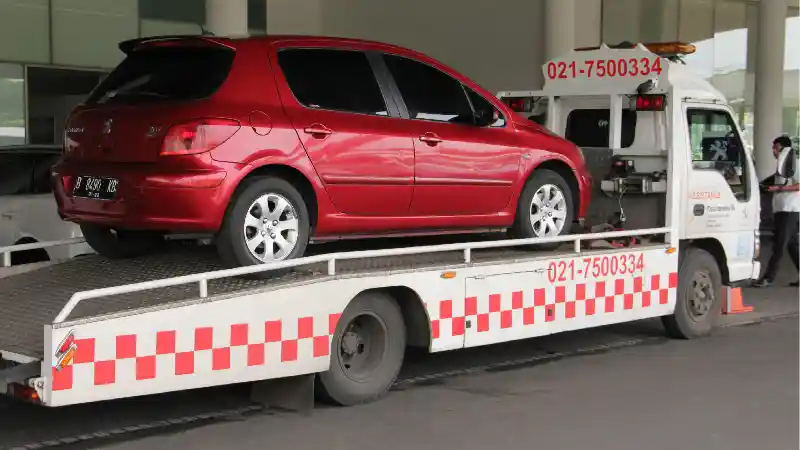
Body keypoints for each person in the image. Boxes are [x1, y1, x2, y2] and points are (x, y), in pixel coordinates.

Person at [754, 135, 799, 288]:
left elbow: (798, 185)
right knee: (792, 245)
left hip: (789, 211)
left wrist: (779, 188)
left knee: (779, 245)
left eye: (776, 147)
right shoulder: (782, 167)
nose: (773, 151)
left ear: (785, 149)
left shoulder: (795, 164)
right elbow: (769, 183)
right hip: (782, 211)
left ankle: (768, 278)